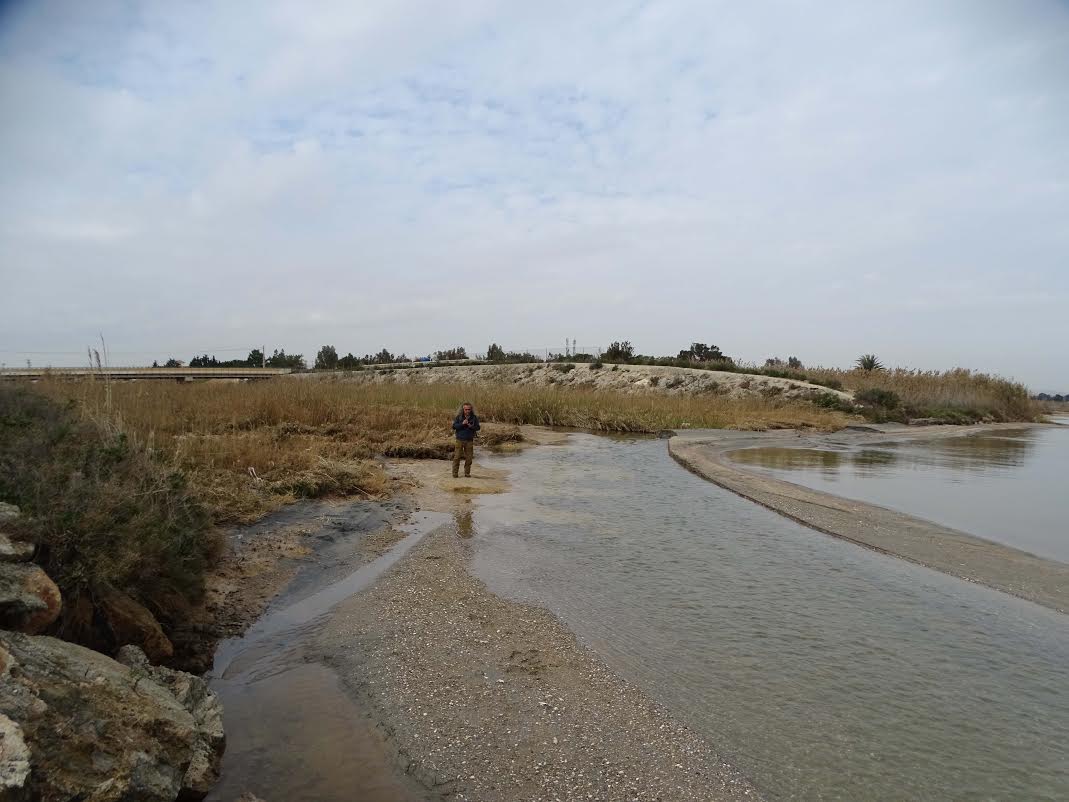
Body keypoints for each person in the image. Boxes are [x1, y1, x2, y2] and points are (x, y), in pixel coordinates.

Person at [451, 401, 479, 478]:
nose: (467, 411)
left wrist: (471, 426)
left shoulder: (474, 417)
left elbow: (478, 428)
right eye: (466, 409)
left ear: (471, 409)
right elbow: (454, 426)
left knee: (469, 458)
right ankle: (455, 474)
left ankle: (467, 474)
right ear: (463, 409)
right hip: (459, 440)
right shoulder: (459, 417)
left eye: (469, 409)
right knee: (457, 457)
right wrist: (462, 424)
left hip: (469, 440)